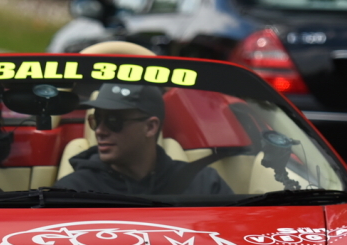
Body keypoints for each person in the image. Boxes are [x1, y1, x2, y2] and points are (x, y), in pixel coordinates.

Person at [55, 83, 232, 196]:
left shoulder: (203, 184)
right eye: (96, 121)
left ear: (150, 127)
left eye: (113, 121)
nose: (100, 131)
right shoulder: (73, 192)